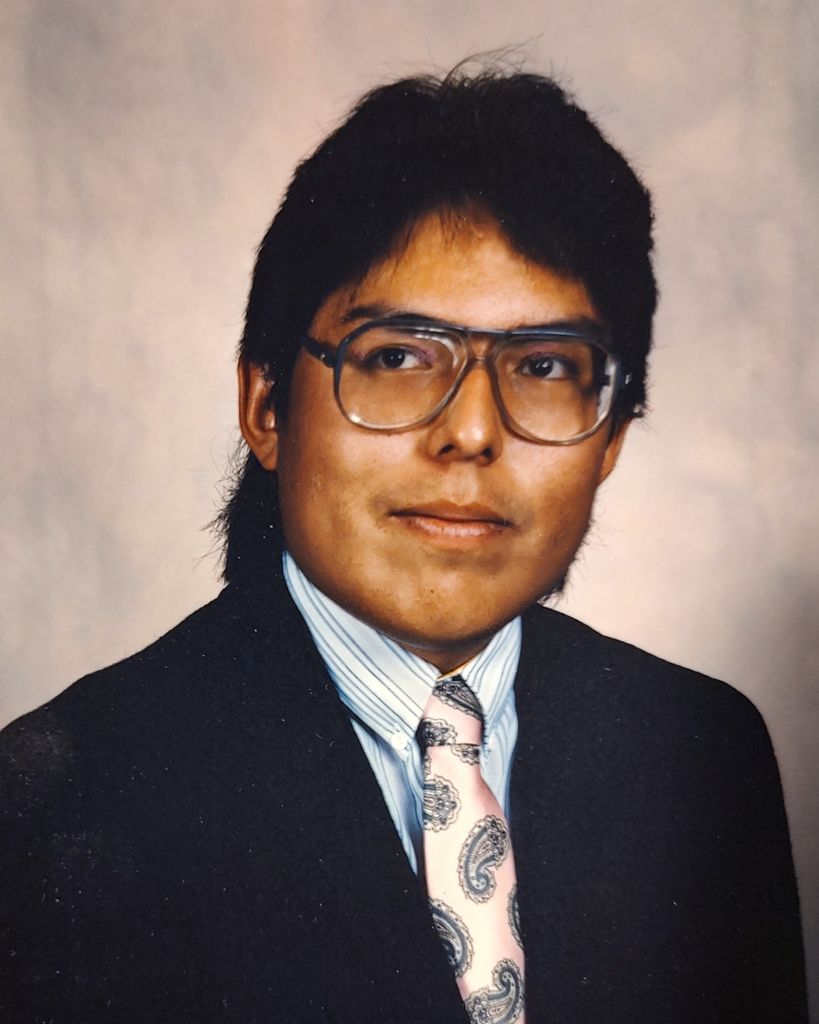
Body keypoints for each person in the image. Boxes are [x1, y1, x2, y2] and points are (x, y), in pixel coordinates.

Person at [0, 67, 807, 1024]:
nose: (470, 431)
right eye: (396, 356)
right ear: (265, 405)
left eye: (544, 366)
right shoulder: (60, 798)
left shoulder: (701, 751)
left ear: (611, 438)